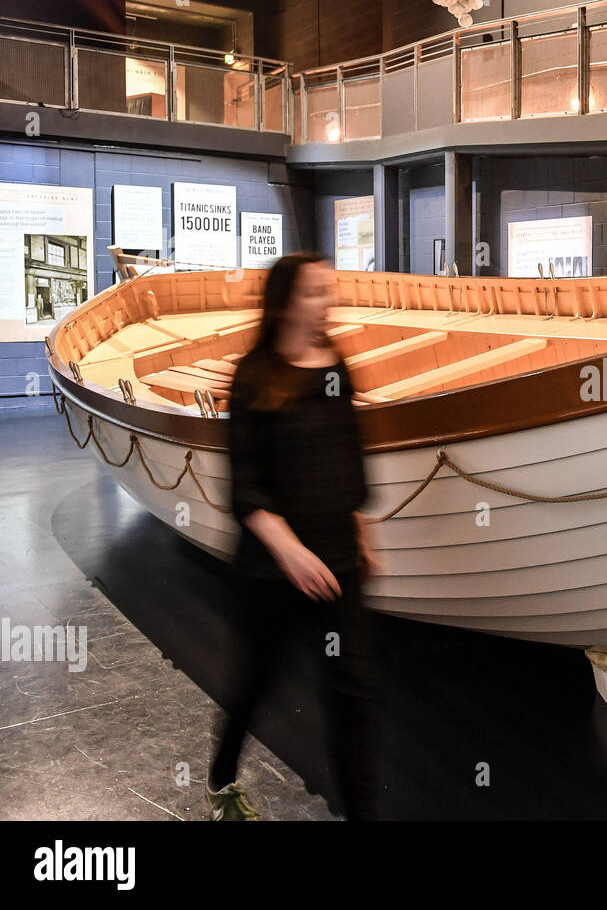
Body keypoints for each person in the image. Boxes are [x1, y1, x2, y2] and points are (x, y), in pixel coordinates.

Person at [206, 251, 379, 821]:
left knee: (351, 693)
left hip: (337, 560)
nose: (327, 302)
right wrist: (291, 553)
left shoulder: (335, 367)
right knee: (256, 683)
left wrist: (360, 530)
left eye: (328, 290)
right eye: (313, 292)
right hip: (271, 570)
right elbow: (247, 489)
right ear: (284, 303)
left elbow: (346, 455)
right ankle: (221, 780)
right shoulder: (254, 376)